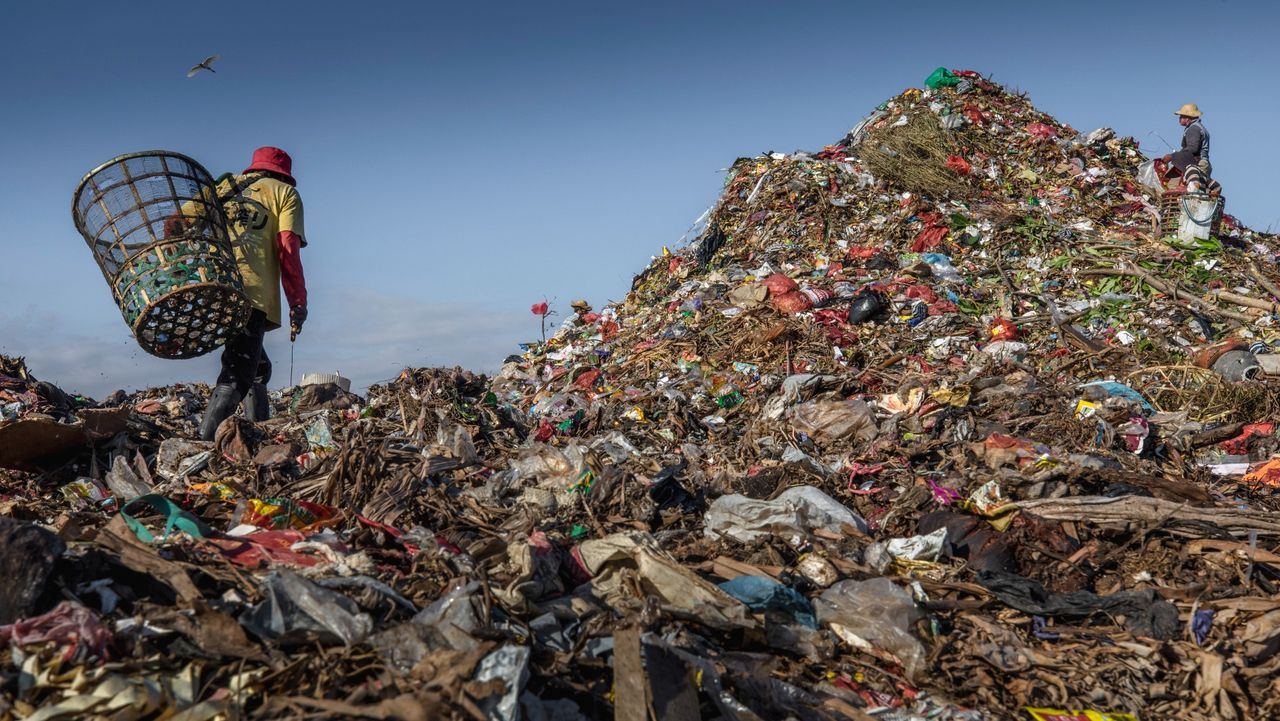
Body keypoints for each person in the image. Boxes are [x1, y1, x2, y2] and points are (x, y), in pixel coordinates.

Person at [198, 147, 309, 440]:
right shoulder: (284, 194)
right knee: (237, 376)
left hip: (213, 289)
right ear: (283, 174)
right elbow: (287, 249)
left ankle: (258, 429)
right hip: (250, 295)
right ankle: (202, 444)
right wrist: (298, 302)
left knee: (258, 367)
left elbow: (176, 224)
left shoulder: (222, 186)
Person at [1162, 103, 1214, 192]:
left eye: (1181, 116)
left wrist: (1172, 156)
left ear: (1188, 118)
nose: (1179, 119)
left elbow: (1193, 149)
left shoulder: (1193, 129)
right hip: (1203, 163)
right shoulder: (1198, 127)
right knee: (1198, 192)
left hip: (1198, 165)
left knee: (1194, 193)